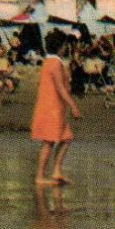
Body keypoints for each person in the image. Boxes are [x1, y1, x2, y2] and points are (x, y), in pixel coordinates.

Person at [30, 50, 79, 186]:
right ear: (61, 46)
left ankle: (56, 170)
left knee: (66, 137)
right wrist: (73, 105)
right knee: (49, 141)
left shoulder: (49, 61)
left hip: (54, 105)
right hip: (51, 106)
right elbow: (60, 87)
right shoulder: (55, 62)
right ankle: (40, 176)